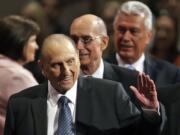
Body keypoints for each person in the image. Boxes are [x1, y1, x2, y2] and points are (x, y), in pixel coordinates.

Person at [4, 34, 164, 135]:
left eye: (70, 61)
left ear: (79, 61)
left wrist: (149, 111)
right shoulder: (20, 104)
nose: (66, 71)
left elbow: (142, 133)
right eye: (56, 65)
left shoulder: (110, 93)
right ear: (43, 68)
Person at [104, 1, 180, 87]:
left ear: (148, 36)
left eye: (134, 31)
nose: (126, 38)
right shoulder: (99, 70)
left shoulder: (171, 75)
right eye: (121, 30)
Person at [0, 15, 39, 134]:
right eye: (33, 40)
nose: (37, 46)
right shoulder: (16, 76)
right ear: (19, 41)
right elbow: (41, 114)